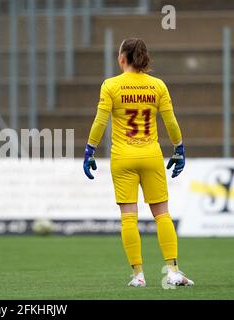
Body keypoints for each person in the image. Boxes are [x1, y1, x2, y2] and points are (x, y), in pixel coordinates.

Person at [83, 38, 194, 287]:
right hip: (151, 155)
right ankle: (173, 271)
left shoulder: (111, 85)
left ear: (122, 58)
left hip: (122, 157)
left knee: (128, 218)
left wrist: (90, 150)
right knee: (162, 214)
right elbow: (171, 122)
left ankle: (138, 275)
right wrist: (179, 149)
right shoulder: (157, 86)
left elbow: (100, 122)